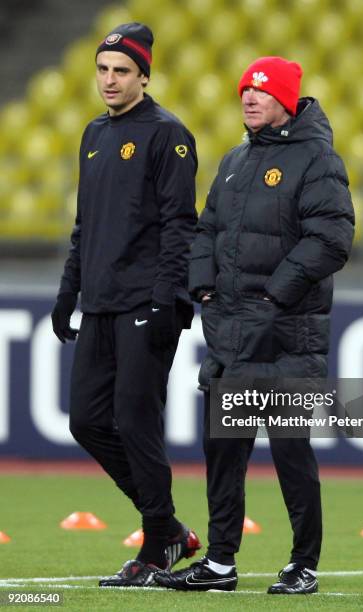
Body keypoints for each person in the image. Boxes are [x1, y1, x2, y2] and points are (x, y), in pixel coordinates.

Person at [155, 56, 354, 595]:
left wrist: (274, 293)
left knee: (291, 452)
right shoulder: (236, 160)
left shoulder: (317, 158)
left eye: (261, 92)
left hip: (289, 335)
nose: (249, 98)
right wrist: (202, 286)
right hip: (234, 336)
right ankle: (221, 563)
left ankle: (303, 564)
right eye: (245, 90)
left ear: (286, 100)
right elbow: (207, 229)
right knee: (224, 452)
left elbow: (332, 238)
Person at [51, 22, 201, 587]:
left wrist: (167, 302)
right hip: (101, 304)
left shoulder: (168, 134)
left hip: (146, 302)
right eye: (103, 70)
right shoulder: (93, 133)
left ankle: (156, 544)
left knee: (136, 422)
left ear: (144, 75)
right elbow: (84, 225)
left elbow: (178, 228)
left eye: (122, 71)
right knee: (88, 420)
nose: (109, 80)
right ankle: (168, 530)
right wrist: (69, 293)